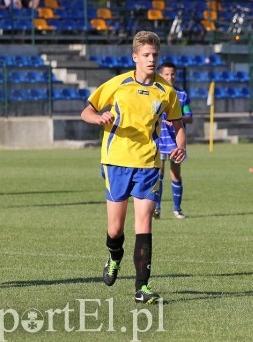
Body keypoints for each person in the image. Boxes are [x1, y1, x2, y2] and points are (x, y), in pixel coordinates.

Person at [81, 31, 186, 304]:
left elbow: (177, 125)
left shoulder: (166, 91)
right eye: (146, 55)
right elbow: (87, 110)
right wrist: (98, 117)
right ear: (135, 57)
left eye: (155, 55)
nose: (151, 60)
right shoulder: (118, 84)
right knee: (115, 230)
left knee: (144, 223)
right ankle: (115, 256)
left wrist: (180, 146)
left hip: (148, 164)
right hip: (116, 161)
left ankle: (142, 287)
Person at [154, 61, 193, 219]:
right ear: (161, 75)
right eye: (167, 74)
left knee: (175, 174)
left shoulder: (182, 95)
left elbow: (189, 117)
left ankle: (177, 209)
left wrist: (177, 118)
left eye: (172, 74)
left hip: (176, 139)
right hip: (159, 138)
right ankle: (157, 208)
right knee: (158, 174)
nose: (170, 77)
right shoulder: (155, 93)